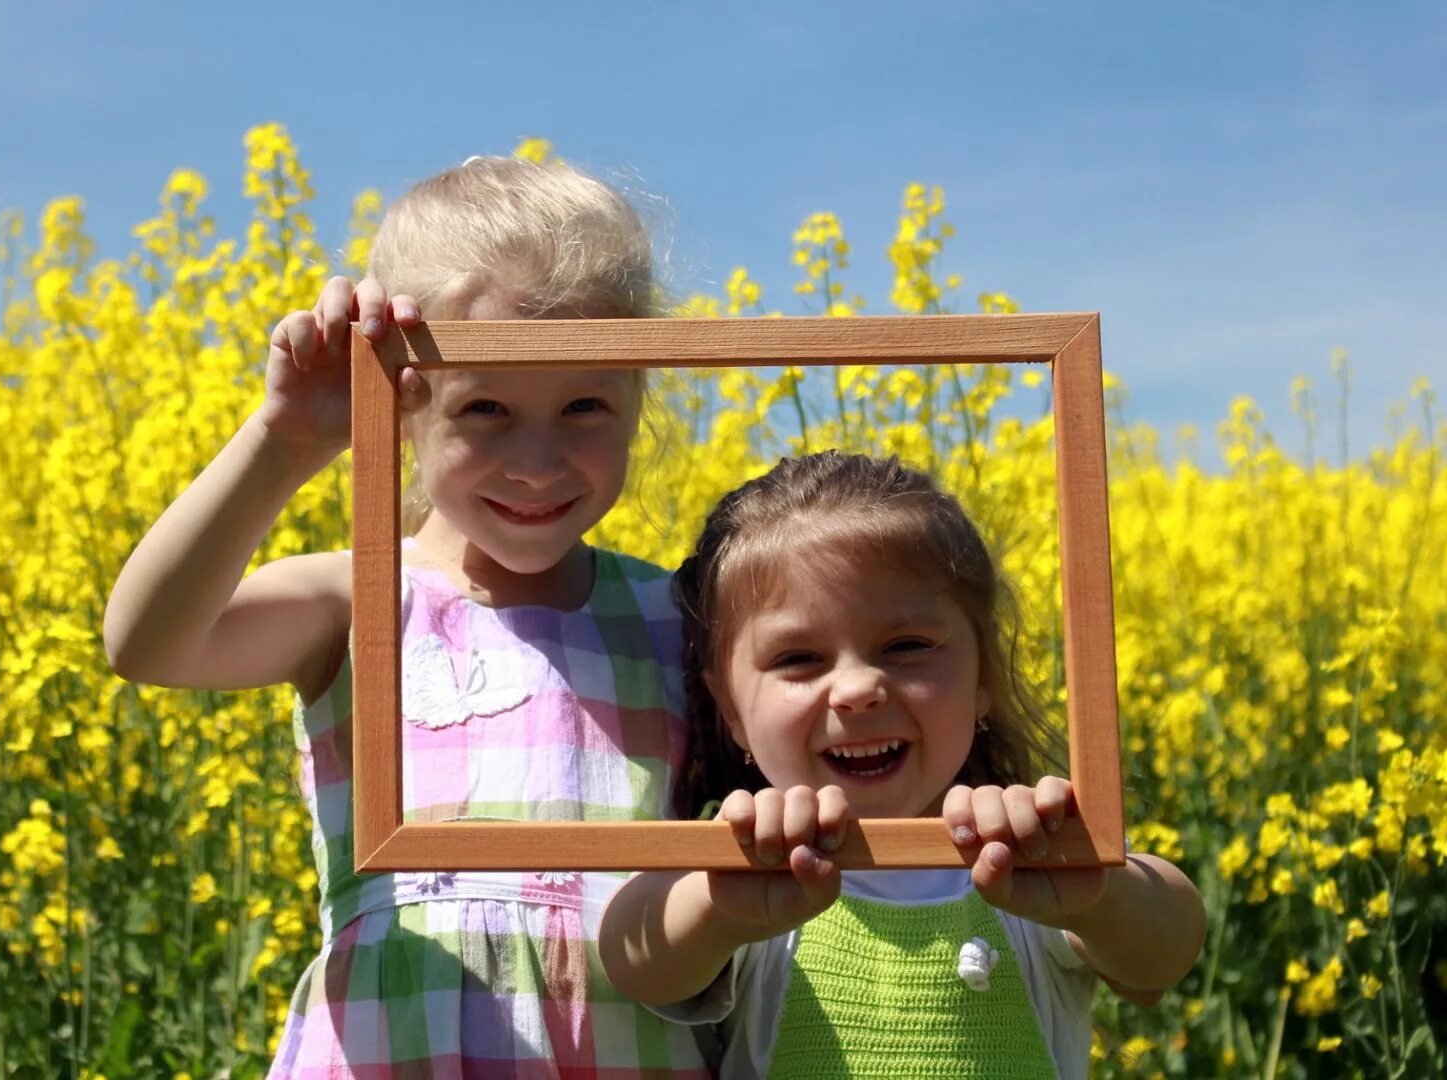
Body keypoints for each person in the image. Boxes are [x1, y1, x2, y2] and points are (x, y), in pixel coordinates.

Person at [104, 156, 713, 1077]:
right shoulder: (359, 598)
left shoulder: (677, 617)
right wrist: (286, 438)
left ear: (639, 398)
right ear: (401, 404)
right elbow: (147, 643)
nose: (538, 461)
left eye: (586, 404)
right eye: (487, 409)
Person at [598, 450, 1206, 1079]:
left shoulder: (1025, 847)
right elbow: (634, 959)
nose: (858, 688)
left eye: (907, 647)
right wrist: (719, 908)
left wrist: (1096, 897)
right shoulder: (750, 854)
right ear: (730, 708)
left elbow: (1168, 949)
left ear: (982, 679)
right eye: (799, 658)